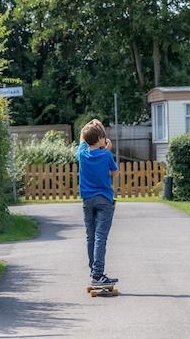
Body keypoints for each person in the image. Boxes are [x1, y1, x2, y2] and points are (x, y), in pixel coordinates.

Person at [78, 119, 119, 286]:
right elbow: (115, 173)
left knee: (91, 236)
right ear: (100, 139)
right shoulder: (106, 154)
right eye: (103, 137)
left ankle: (94, 272)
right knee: (101, 237)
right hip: (104, 200)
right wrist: (106, 149)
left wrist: (90, 125)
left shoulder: (81, 153)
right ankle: (98, 274)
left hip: (87, 200)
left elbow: (82, 137)